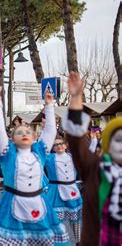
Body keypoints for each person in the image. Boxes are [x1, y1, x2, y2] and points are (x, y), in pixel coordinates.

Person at [0, 86, 69, 245]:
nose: (24, 134)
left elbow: (50, 132)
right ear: (12, 139)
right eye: (19, 133)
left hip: (39, 202)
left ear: (34, 137)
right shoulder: (8, 153)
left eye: (27, 132)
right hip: (13, 204)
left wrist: (49, 105)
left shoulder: (40, 151)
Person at [62, 72, 122, 245]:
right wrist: (76, 99)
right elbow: (75, 139)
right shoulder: (95, 168)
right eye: (118, 139)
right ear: (108, 144)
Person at [44, 136, 83, 244]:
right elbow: (40, 151)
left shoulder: (73, 157)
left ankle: (79, 242)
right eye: (56, 145)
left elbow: (88, 155)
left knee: (76, 221)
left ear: (66, 145)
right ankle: (55, 242)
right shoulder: (49, 158)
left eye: (61, 143)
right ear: (53, 148)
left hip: (72, 191)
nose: (59, 146)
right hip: (56, 193)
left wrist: (93, 140)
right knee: (55, 221)